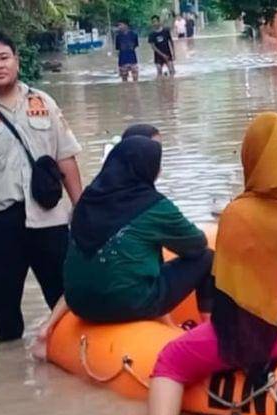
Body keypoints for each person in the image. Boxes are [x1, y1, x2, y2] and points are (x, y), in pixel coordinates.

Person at [146, 112, 277, 415]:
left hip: (267, 334)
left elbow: (230, 299)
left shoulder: (238, 214)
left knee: (171, 358)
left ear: (249, 156)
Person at [0, 31, 83, 343]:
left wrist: (81, 206)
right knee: (5, 315)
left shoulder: (43, 102)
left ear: (17, 62)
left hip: (50, 218)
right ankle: (9, 373)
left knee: (67, 302)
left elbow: (65, 158)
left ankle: (68, 362)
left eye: (4, 58)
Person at [31, 133, 213, 359]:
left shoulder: (87, 200)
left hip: (79, 304)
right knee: (208, 258)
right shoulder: (154, 206)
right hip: (129, 303)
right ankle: (211, 333)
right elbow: (197, 245)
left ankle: (49, 329)